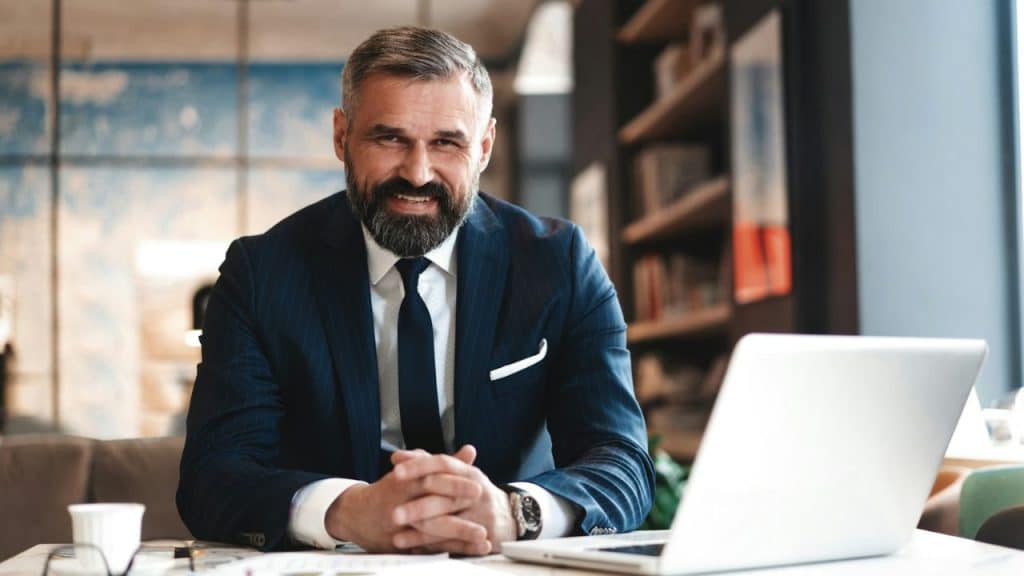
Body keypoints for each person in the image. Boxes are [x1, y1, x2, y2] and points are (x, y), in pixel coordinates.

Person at [177, 26, 653, 556]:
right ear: (341, 137)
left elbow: (621, 462)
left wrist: (515, 512)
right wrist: (346, 511)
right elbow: (213, 476)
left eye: (447, 142)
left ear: (485, 146)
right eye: (390, 138)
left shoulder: (560, 264)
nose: (418, 173)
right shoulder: (261, 274)